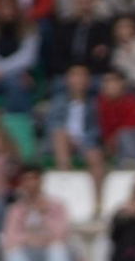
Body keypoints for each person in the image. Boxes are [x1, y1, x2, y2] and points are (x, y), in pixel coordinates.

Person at [1, 167, 76, 261]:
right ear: (22, 183)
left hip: (49, 252)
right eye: (27, 180)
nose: (31, 184)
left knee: (58, 246)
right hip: (29, 254)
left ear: (41, 181)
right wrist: (29, 238)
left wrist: (44, 214)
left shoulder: (56, 205)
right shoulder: (16, 209)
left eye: (34, 179)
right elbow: (9, 238)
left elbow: (62, 233)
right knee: (11, 251)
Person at [45, 64, 106, 193]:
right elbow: (52, 124)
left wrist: (81, 141)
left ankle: (97, 198)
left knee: (95, 155)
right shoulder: (58, 101)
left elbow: (96, 129)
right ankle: (66, 179)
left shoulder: (94, 103)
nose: (79, 80)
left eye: (82, 76)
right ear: (67, 79)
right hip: (60, 141)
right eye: (75, 75)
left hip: (85, 142)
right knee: (59, 134)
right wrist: (70, 138)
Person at [45, 0, 115, 78]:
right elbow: (55, 59)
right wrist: (74, 73)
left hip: (94, 76)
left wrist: (83, 74)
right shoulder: (62, 26)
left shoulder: (104, 27)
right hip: (66, 76)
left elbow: (104, 59)